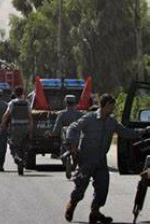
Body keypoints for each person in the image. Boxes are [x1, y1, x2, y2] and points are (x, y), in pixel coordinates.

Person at [64, 94, 150, 223]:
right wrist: (73, 145)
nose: (113, 108)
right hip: (87, 158)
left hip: (101, 160)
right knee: (80, 186)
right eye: (112, 105)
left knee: (103, 186)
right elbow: (73, 127)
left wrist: (143, 131)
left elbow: (126, 132)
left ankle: (95, 212)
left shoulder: (112, 122)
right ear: (106, 105)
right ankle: (72, 205)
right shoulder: (90, 118)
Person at [0, 86, 33, 175]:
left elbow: (6, 115)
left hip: (15, 127)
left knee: (14, 145)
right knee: (24, 145)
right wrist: (30, 130)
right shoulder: (27, 103)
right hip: (25, 127)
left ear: (14, 93)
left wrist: (2, 125)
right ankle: (21, 159)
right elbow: (30, 117)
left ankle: (18, 158)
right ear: (22, 93)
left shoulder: (12, 103)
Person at [50, 95, 83, 159]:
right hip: (78, 139)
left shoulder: (62, 114)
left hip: (66, 140)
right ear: (75, 102)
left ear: (65, 102)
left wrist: (53, 134)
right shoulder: (80, 114)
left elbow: (57, 127)